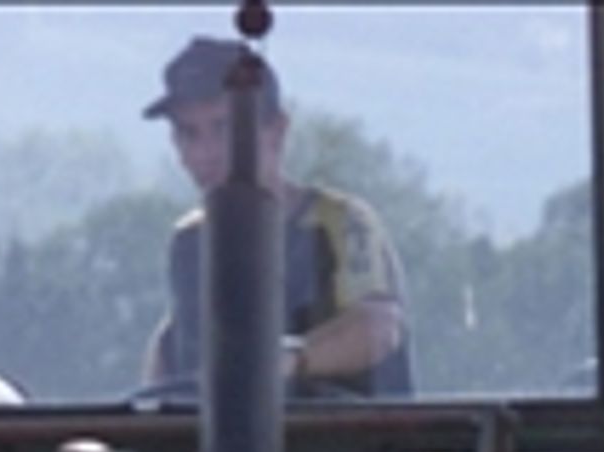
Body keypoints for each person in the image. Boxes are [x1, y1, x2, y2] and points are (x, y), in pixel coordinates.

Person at [142, 37, 414, 398]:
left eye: (223, 129)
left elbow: (378, 326)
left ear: (276, 131)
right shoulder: (189, 241)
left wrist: (290, 361)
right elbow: (173, 346)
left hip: (344, 441)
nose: (203, 153)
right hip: (211, 446)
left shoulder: (339, 222)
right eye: (187, 134)